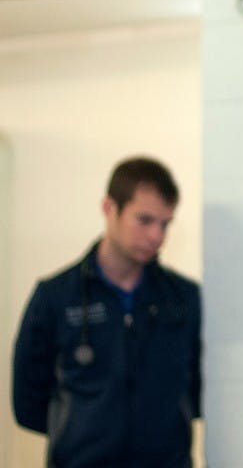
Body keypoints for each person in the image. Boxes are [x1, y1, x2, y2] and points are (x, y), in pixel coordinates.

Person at [12, 156, 202, 468]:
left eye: (165, 224)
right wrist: (83, 433)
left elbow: (197, 390)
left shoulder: (182, 299)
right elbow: (28, 403)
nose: (157, 236)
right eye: (144, 220)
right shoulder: (56, 297)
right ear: (109, 209)